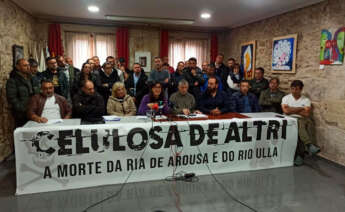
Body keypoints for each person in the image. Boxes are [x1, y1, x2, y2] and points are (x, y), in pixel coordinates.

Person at [281, 80, 320, 166]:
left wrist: (291, 108)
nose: (294, 91)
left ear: (301, 90)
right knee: (299, 126)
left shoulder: (306, 100)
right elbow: (285, 111)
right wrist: (300, 108)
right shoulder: (286, 98)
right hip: (288, 119)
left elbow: (306, 114)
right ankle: (309, 145)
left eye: (297, 89)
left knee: (300, 125)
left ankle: (300, 155)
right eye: (293, 89)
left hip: (301, 119)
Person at [6, 59, 37, 127]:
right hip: (21, 114)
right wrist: (22, 109)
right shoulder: (13, 80)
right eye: (25, 65)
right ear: (18, 67)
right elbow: (12, 98)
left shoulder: (31, 78)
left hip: (33, 111)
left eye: (28, 65)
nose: (28, 67)